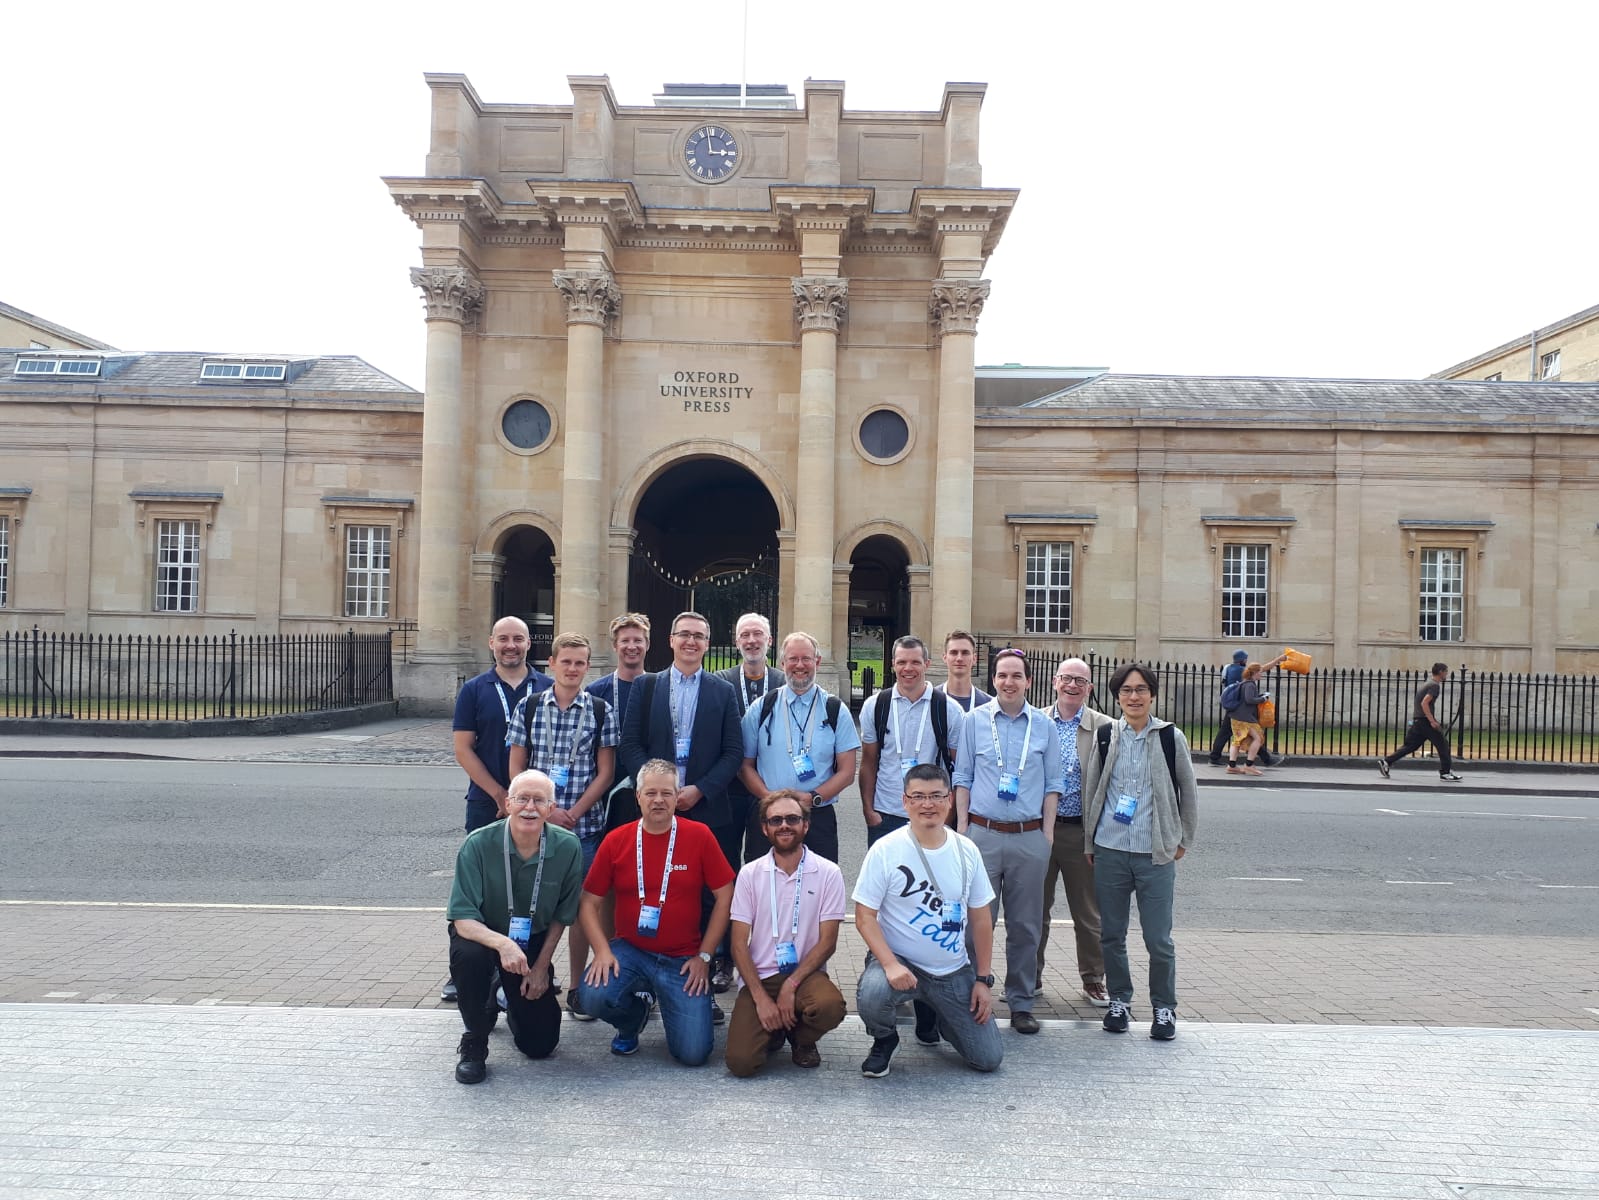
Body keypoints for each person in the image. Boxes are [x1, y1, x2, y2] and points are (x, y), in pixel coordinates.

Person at [617, 611, 743, 1023]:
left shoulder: (722, 691)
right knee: (654, 891)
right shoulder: (647, 687)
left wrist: (699, 789)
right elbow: (630, 745)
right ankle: (646, 984)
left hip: (706, 810)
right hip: (656, 809)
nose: (691, 642)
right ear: (670, 640)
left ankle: (699, 983)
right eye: (684, 635)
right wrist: (659, 791)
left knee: (705, 898)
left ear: (708, 643)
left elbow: (733, 752)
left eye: (699, 636)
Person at [576, 759, 735, 1065]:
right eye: (650, 793)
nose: (658, 800)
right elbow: (589, 902)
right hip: (631, 951)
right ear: (637, 796)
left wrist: (705, 956)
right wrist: (601, 951)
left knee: (693, 1054)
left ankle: (667, 1000)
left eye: (666, 793)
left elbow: (725, 895)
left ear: (678, 797)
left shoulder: (699, 836)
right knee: (593, 995)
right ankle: (631, 1019)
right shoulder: (616, 840)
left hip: (683, 959)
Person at [853, 763, 1003, 1078]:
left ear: (950, 800)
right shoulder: (885, 850)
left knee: (988, 1059)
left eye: (936, 796)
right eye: (918, 796)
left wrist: (983, 980)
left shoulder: (967, 851)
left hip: (952, 969)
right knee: (873, 993)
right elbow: (864, 917)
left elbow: (981, 918)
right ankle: (884, 1038)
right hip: (901, 963)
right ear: (905, 801)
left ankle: (940, 1016)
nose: (928, 804)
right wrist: (891, 965)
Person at [1084, 662, 1199, 1042]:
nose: (1134, 697)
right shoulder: (1106, 735)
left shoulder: (1170, 737)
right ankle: (1120, 1001)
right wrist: (1090, 842)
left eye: (1141, 690)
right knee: (1112, 935)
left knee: (1158, 938)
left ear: (1152, 694)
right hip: (1111, 848)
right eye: (1127, 690)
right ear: (1117, 696)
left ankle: (1164, 1007)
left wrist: (1183, 839)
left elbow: (1188, 790)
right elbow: (1092, 791)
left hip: (1155, 853)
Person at [506, 631, 618, 1018]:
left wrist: (575, 812)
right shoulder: (530, 706)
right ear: (551, 664)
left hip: (584, 828)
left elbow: (605, 772)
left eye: (580, 662)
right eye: (566, 661)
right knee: (528, 902)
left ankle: (575, 987)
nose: (573, 669)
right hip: (536, 827)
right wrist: (546, 810)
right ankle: (519, 976)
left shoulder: (601, 710)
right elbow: (516, 767)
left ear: (588, 667)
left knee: (581, 910)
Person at [952, 647, 1063, 1036]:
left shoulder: (1044, 726)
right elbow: (961, 777)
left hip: (1028, 837)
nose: (1009, 682)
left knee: (1026, 926)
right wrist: (964, 828)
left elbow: (1053, 784)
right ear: (993, 679)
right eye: (1002, 675)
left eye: (1016, 675)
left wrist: (1047, 834)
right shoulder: (973, 721)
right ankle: (969, 994)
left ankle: (1020, 1002)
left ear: (1028, 681)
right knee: (975, 923)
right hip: (981, 835)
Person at [447, 770, 584, 1084]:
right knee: (471, 958)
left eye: (539, 800)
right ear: (508, 804)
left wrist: (541, 967)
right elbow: (462, 917)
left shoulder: (568, 847)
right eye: (522, 798)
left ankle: (502, 991)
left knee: (540, 1045)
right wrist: (503, 945)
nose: (530, 807)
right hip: (482, 935)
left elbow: (563, 917)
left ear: (551, 809)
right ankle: (475, 1039)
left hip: (532, 940)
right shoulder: (478, 844)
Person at [443, 615, 553, 1002]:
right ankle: (465, 969)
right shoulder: (474, 690)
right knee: (477, 888)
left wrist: (527, 800)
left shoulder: (546, 686)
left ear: (528, 645)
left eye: (518, 639)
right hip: (486, 804)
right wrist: (498, 796)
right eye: (504, 639)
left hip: (532, 806)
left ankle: (531, 961)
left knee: (530, 885)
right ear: (491, 643)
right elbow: (463, 749)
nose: (511, 645)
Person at [724, 789, 848, 1076]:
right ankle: (775, 1028)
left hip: (806, 975)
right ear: (764, 828)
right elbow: (739, 945)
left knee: (829, 1007)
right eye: (776, 819)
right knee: (741, 1063)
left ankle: (801, 1039)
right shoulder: (750, 874)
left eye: (792, 819)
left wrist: (791, 986)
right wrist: (761, 998)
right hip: (761, 977)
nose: (784, 825)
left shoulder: (828, 872)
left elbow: (828, 942)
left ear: (806, 825)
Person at [738, 631, 859, 865]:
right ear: (782, 663)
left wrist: (812, 798)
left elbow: (847, 771)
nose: (799, 665)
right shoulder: (762, 708)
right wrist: (770, 798)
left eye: (806, 659)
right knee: (763, 886)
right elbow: (744, 765)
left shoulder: (835, 709)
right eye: (793, 659)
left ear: (818, 662)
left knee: (819, 886)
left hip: (816, 815)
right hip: (769, 815)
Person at [1037, 657, 1113, 1007]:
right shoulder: (1036, 721)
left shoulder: (1106, 728)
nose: (1072, 686)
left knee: (1088, 912)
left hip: (1082, 831)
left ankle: (1094, 979)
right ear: (1055, 681)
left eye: (1080, 681)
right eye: (1067, 679)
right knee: (1034, 909)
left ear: (1090, 688)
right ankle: (1028, 976)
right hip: (1039, 829)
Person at [712, 610, 784, 972]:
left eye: (758, 634)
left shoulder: (785, 681)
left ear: (769, 640)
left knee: (762, 874)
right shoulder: (720, 682)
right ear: (736, 641)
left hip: (766, 793)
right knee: (725, 874)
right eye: (745, 635)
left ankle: (760, 952)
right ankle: (724, 953)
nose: (752, 641)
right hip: (727, 791)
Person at [858, 635, 965, 845]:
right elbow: (868, 762)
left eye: (915, 662)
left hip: (932, 812)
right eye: (902, 662)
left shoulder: (949, 709)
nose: (908, 668)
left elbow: (960, 769)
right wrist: (869, 811)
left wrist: (949, 815)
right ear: (892, 665)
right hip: (886, 813)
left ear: (927, 664)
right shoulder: (875, 706)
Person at [586, 612, 651, 838]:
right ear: (615, 646)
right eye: (625, 641)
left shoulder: (658, 686)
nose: (631, 646)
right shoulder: (595, 692)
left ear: (647, 644)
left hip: (647, 784)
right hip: (606, 785)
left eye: (637, 640)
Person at [1378, 663, 1463, 782]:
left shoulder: (1427, 683)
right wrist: (1432, 721)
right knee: (1443, 745)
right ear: (1440, 672)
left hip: (1418, 720)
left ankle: (1387, 761)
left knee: (1411, 746)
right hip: (1425, 721)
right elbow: (1424, 703)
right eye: (1446, 672)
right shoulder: (1434, 686)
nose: (1446, 674)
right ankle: (1446, 772)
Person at [1208, 649, 1281, 768]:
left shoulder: (1229, 668)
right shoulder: (1242, 671)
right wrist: (1277, 660)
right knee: (1252, 735)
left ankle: (1216, 758)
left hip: (1234, 706)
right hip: (1241, 709)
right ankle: (1263, 760)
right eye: (1246, 659)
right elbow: (1260, 669)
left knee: (1227, 733)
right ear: (1243, 660)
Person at [1226, 661, 1268, 777]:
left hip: (1236, 716)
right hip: (1244, 718)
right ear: (1254, 672)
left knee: (1237, 740)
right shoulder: (1250, 684)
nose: (1261, 674)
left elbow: (1247, 699)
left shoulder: (1245, 683)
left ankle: (1232, 766)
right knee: (1258, 738)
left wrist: (1259, 697)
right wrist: (1263, 699)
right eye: (1260, 672)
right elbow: (1249, 700)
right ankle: (1249, 765)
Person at [935, 629, 993, 712]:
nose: (959, 658)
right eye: (954, 653)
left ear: (974, 658)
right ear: (945, 657)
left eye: (965, 653)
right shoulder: (931, 700)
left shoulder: (989, 705)